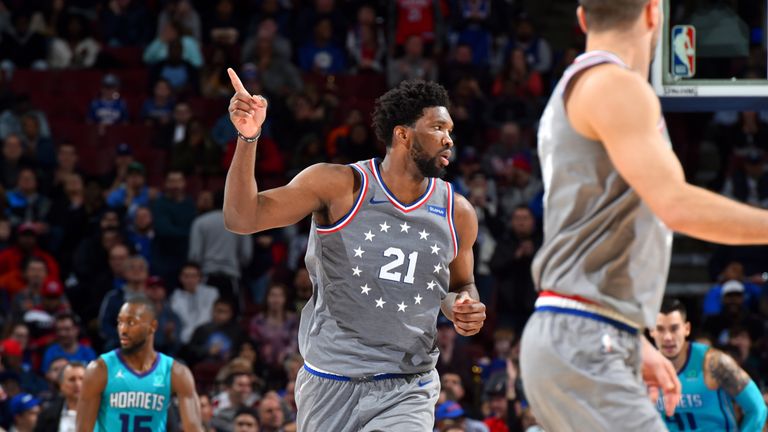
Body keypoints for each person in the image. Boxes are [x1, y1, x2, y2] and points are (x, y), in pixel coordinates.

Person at [520, 1, 768, 431]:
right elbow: (675, 205)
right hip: (585, 335)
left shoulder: (580, 86)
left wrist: (632, 337)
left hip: (582, 328)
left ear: (582, 18)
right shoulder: (616, 85)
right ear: (656, 13)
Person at [224, 70, 486, 431]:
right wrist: (247, 138)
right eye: (438, 128)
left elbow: (460, 284)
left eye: (450, 131)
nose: (448, 140)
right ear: (403, 134)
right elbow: (242, 217)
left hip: (408, 384)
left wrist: (463, 306)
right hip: (331, 380)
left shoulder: (458, 211)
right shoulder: (339, 186)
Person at [75, 297, 203, 431]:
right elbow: (83, 429)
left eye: (131, 322)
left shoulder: (175, 372)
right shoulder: (100, 369)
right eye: (120, 322)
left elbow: (193, 428)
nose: (123, 330)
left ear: (152, 327)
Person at [651, 298, 767, 431]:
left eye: (674, 329)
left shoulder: (714, 363)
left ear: (686, 329)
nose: (668, 337)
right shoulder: (641, 369)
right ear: (651, 331)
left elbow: (757, 408)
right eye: (660, 329)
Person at [34, 361, 85, 432]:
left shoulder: (101, 412)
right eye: (72, 379)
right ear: (61, 385)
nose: (78, 384)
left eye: (82, 379)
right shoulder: (46, 416)